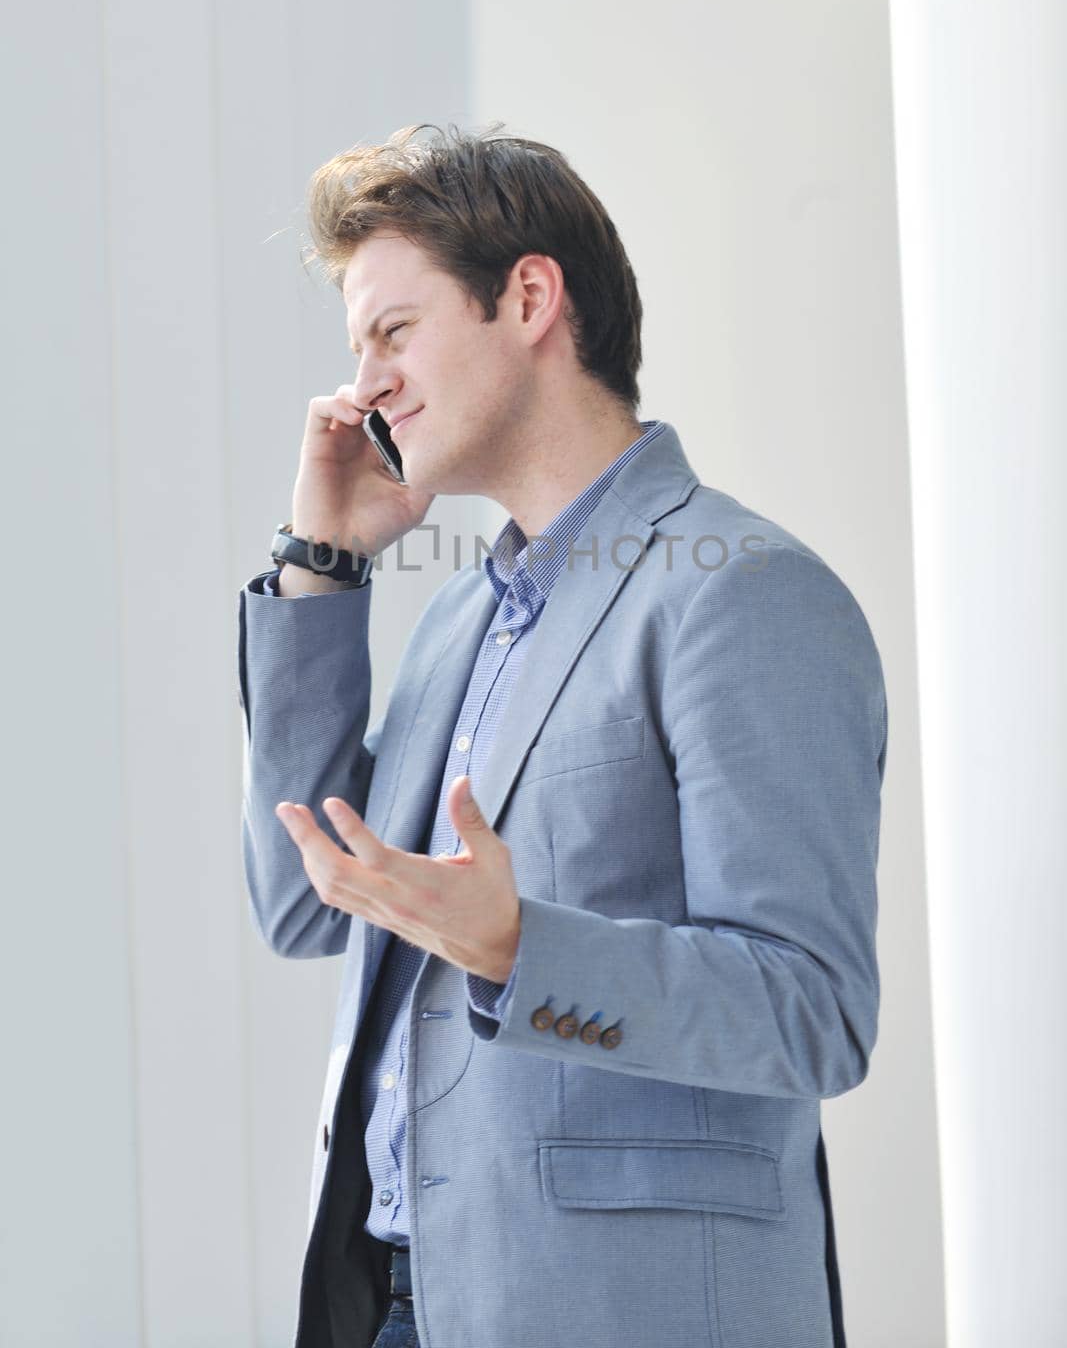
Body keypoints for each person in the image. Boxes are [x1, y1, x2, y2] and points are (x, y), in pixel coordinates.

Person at [236, 123, 888, 1348]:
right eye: (355, 347)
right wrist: (320, 568)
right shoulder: (459, 620)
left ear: (528, 297)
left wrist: (518, 947)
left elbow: (813, 1010)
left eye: (392, 331)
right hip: (396, 1303)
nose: (362, 383)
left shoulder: (738, 590)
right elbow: (303, 898)